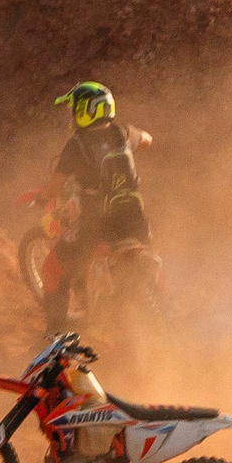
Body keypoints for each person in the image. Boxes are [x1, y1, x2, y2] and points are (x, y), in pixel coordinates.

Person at [38, 81, 154, 331]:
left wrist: (42, 197)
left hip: (97, 226)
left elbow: (54, 188)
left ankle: (55, 338)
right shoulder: (122, 133)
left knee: (52, 270)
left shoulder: (77, 145)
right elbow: (148, 140)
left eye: (74, 109)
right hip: (135, 221)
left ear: (84, 110)